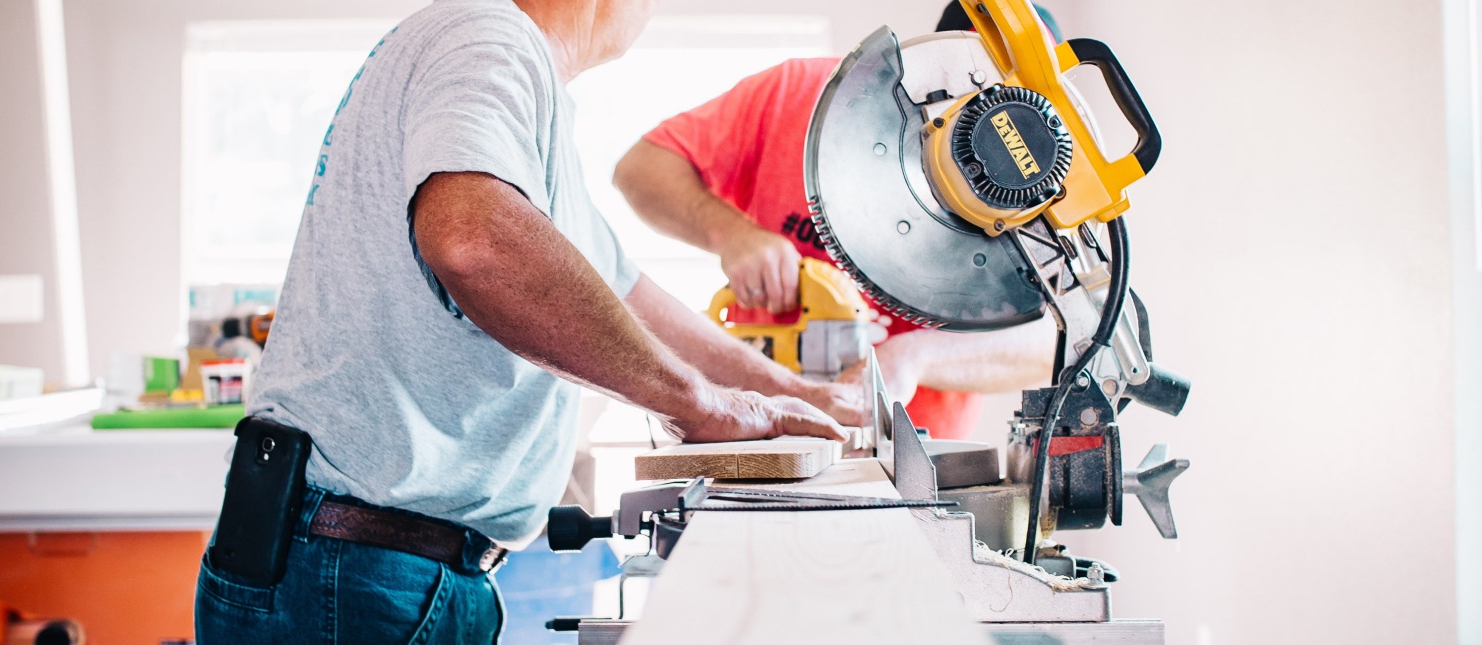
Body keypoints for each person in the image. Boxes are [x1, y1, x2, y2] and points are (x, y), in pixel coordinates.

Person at [195, 0, 864, 641]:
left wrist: (791, 394)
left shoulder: (512, 82)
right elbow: (475, 241)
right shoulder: (488, 35)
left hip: (382, 562)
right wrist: (695, 402)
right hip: (354, 568)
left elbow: (627, 295)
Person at [614, 2, 1062, 440]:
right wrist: (731, 234)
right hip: (757, 425)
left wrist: (916, 355)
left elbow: (1055, 340)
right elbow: (641, 169)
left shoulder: (1039, 191)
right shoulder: (798, 93)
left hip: (912, 453)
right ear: (926, 58)